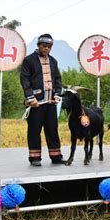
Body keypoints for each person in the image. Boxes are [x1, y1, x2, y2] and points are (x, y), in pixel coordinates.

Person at [20, 34, 66, 166]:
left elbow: (58, 79)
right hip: (36, 103)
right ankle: (35, 158)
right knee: (34, 130)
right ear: (38, 45)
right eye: (44, 46)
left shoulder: (53, 61)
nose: (46, 49)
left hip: (50, 102)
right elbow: (25, 80)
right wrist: (30, 98)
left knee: (52, 129)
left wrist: (57, 94)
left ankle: (56, 156)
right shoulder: (28, 61)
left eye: (49, 47)